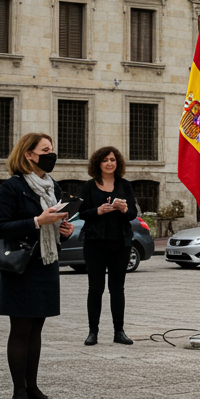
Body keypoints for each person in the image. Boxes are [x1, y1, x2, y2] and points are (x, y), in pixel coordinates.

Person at [0, 132, 74, 399]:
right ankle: (18, 393)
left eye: (51, 149)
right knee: (21, 329)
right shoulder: (12, 187)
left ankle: (32, 387)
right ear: (28, 154)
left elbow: (54, 223)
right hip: (22, 265)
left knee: (37, 328)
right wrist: (38, 221)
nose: (51, 155)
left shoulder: (53, 186)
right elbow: (1, 227)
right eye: (45, 150)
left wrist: (63, 229)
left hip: (46, 262)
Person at [79, 146, 139, 346]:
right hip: (95, 244)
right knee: (95, 289)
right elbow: (81, 213)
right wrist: (97, 211)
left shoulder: (125, 185)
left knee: (117, 289)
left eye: (112, 159)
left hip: (120, 244)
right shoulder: (89, 186)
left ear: (117, 162)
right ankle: (92, 332)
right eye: (105, 160)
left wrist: (124, 208)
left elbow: (133, 214)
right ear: (98, 163)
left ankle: (119, 332)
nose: (109, 163)